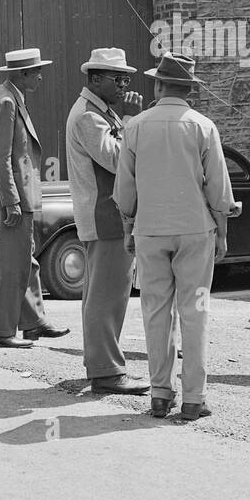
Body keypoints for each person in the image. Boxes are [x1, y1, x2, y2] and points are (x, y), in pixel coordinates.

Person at [114, 52, 234, 421]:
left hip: (150, 230)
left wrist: (129, 229)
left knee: (155, 311)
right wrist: (222, 233)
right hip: (196, 231)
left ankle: (160, 394)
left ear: (159, 84)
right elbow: (218, 191)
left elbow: (124, 192)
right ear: (190, 91)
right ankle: (194, 398)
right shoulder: (203, 127)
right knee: (195, 312)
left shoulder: (135, 127)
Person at [0, 48, 69, 349]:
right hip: (15, 195)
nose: (41, 76)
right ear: (22, 74)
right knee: (14, 265)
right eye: (36, 71)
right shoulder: (7, 101)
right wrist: (11, 200)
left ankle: (33, 322)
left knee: (24, 257)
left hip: (11, 193)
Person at [65, 47, 150, 395]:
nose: (124, 85)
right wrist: (130, 119)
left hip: (106, 215)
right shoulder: (89, 116)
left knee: (101, 293)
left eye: (126, 78)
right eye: (117, 79)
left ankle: (101, 366)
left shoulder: (100, 112)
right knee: (108, 296)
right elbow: (116, 160)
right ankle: (107, 372)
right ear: (95, 78)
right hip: (106, 216)